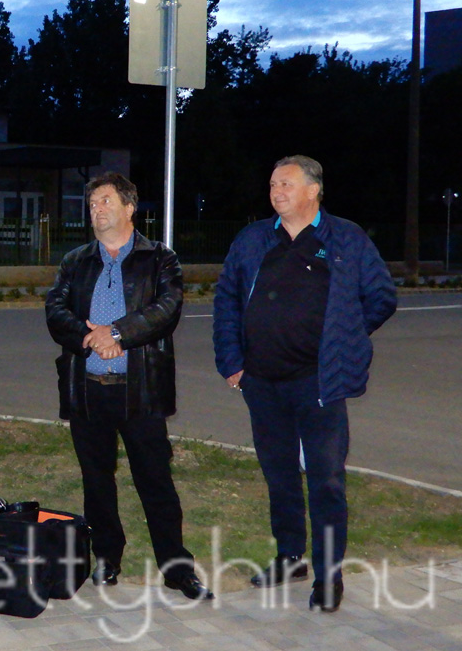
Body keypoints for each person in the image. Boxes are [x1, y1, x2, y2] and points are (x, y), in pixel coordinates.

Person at [213, 155, 396, 612]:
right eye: (273, 184)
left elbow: (381, 297)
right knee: (279, 476)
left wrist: (344, 338)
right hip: (261, 381)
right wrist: (232, 362)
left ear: (314, 190)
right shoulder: (253, 239)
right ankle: (290, 557)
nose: (276, 192)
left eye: (286, 184)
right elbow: (227, 299)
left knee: (326, 481)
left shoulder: (346, 238)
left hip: (319, 382)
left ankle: (329, 576)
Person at [45, 171, 212, 601]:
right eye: (92, 204)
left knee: (155, 481)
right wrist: (88, 336)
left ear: (129, 207)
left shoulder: (159, 259)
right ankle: (107, 557)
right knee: (97, 482)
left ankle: (176, 569)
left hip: (140, 390)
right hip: (88, 389)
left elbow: (166, 309)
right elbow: (55, 309)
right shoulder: (76, 260)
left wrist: (116, 333)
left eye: (105, 201)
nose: (96, 209)